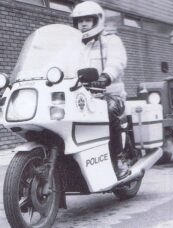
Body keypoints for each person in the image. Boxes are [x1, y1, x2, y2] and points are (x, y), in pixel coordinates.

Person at [71, 1, 129, 179]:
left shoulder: (111, 40)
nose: (83, 24)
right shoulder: (74, 45)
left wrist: (106, 76)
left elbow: (117, 62)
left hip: (110, 94)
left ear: (98, 20)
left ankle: (119, 160)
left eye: (88, 20)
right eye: (80, 21)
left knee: (107, 111)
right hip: (82, 95)